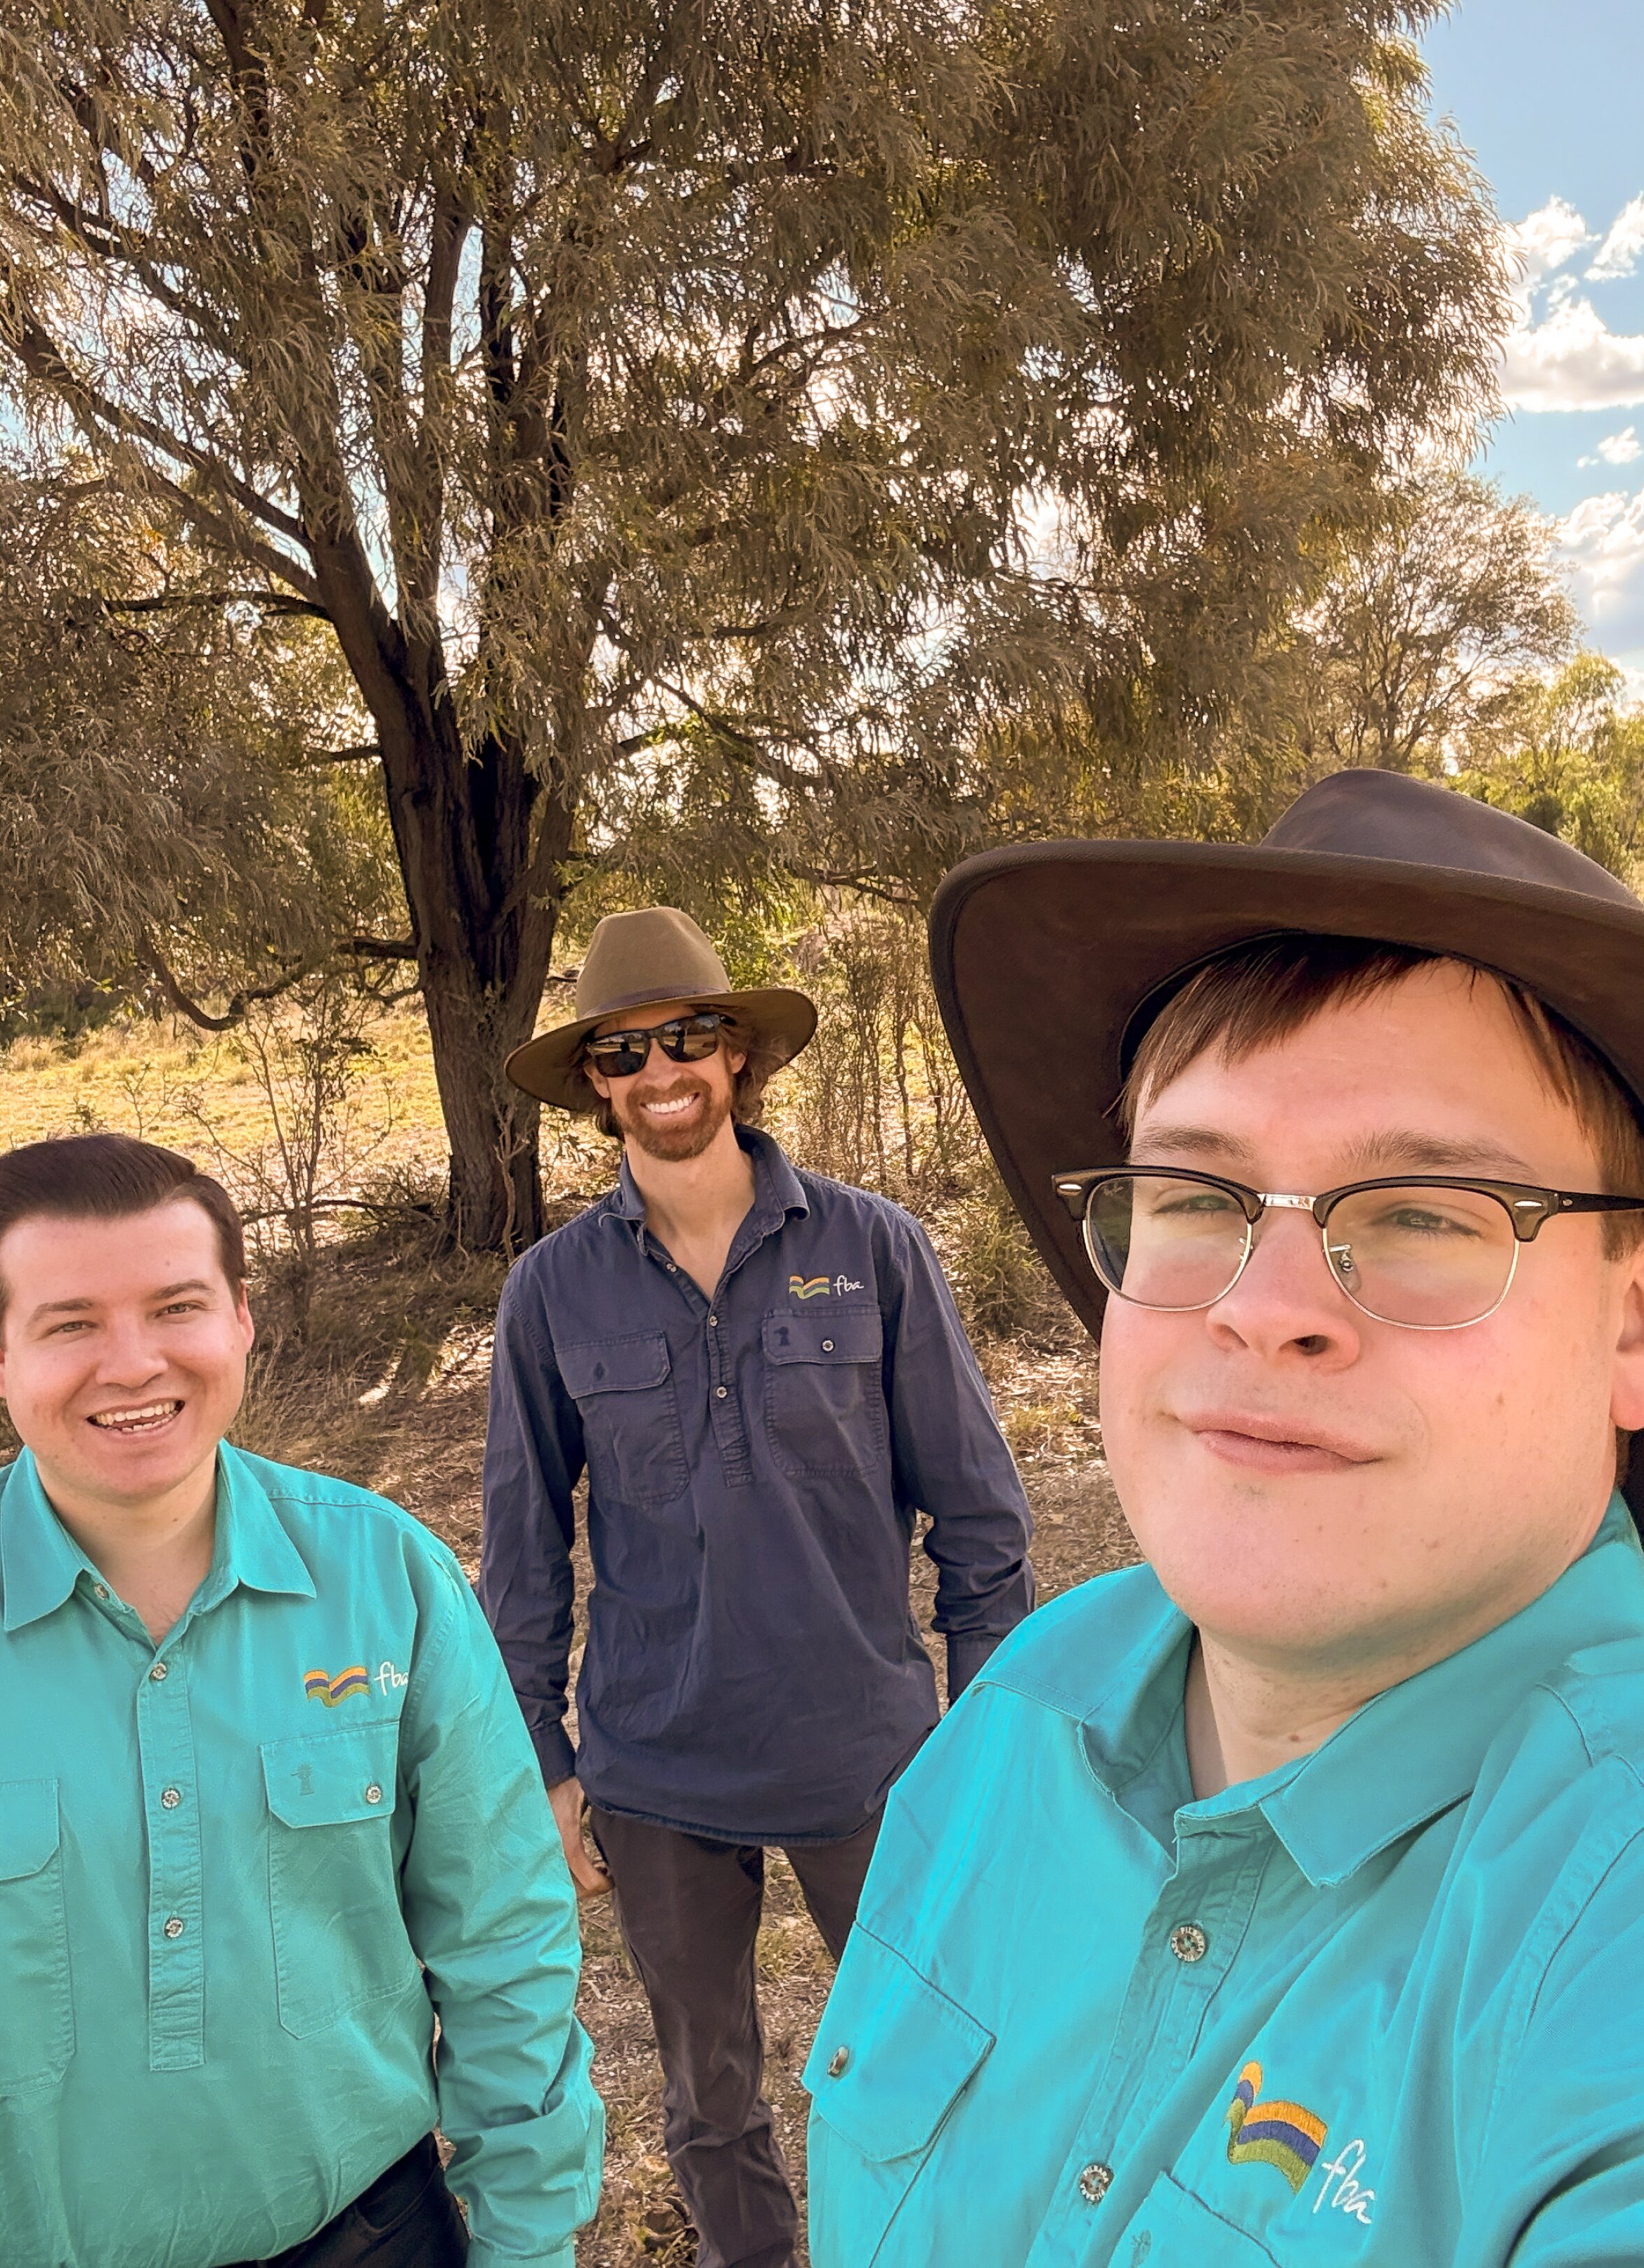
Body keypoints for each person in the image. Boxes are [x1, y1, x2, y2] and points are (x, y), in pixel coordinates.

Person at [805, 770, 1644, 2266]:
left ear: (1637, 1321)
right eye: (1191, 1194)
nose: (1262, 1311)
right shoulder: (1023, 1703)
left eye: (1423, 1211)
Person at [0, 1134, 602, 2268]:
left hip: (362, 2239)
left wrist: (528, 2240)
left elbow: (503, 1942)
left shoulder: (388, 1584)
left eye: (175, 1306)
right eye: (72, 1323)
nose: (133, 1365)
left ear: (240, 1316)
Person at [488, 905, 1034, 2268]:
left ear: (734, 1057)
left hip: (869, 1756)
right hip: (654, 1764)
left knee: (927, 2066)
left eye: (684, 1039)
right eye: (623, 1052)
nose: (658, 1071)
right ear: (595, 1086)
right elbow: (520, 1547)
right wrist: (544, 1760)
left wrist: (987, 1733)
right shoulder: (548, 1293)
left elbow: (977, 1518)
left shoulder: (875, 1247)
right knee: (709, 2099)